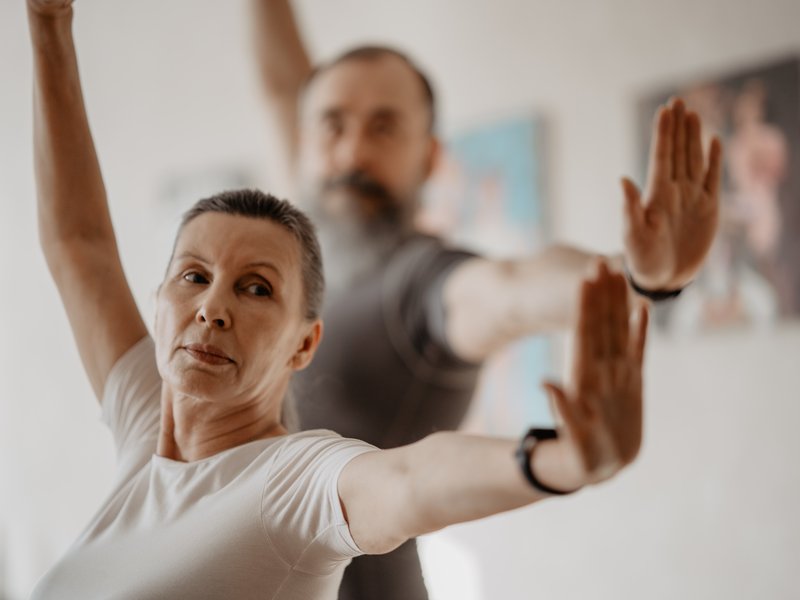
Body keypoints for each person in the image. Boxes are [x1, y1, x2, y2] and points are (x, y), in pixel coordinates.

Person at [29, 1, 649, 597]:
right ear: (157, 299)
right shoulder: (146, 414)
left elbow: (407, 480)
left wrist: (557, 461)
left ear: (304, 342)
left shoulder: (292, 481)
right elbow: (78, 244)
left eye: (256, 290)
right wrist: (48, 21)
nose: (212, 308)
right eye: (193, 276)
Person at [252, 1, 723, 597]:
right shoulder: (291, 258)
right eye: (333, 124)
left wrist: (634, 278)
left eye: (384, 127)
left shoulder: (422, 280)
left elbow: (510, 290)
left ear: (430, 158)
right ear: (305, 141)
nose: (351, 153)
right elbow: (279, 87)